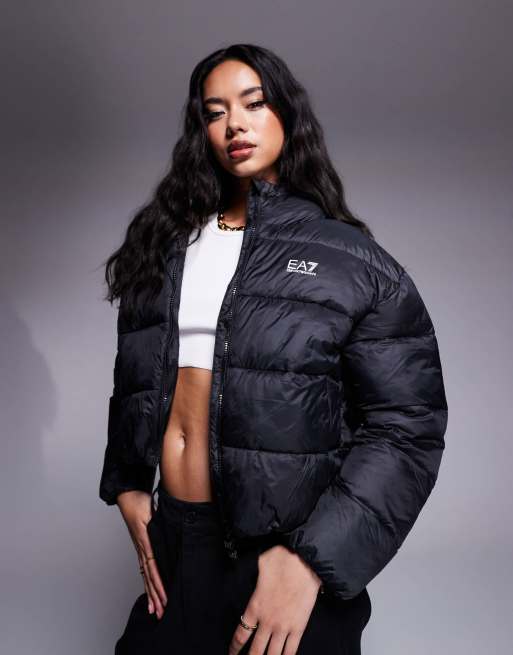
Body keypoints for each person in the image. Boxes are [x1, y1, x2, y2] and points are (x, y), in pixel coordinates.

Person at [99, 43, 448, 655]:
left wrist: (309, 563)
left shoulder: (351, 261)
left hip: (280, 560)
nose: (234, 124)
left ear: (286, 113)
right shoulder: (167, 245)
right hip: (177, 545)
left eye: (253, 104)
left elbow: (406, 426)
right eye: (215, 112)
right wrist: (127, 482)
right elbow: (137, 377)